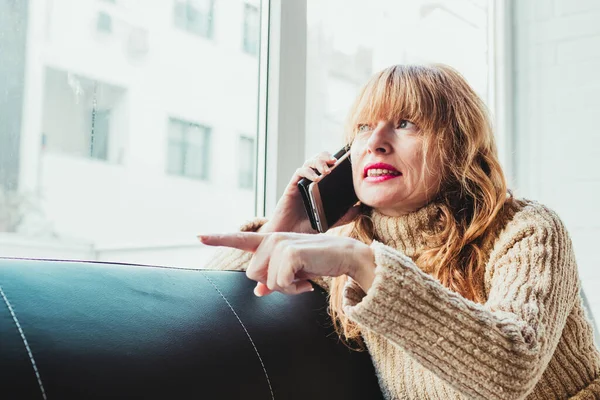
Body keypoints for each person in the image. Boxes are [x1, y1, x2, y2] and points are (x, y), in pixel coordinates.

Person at [199, 64, 600, 399]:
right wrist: (285, 227)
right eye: (363, 127)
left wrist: (364, 265)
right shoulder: (346, 246)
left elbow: (511, 369)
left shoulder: (528, 229)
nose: (375, 142)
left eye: (405, 124)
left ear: (458, 146)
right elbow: (214, 303)